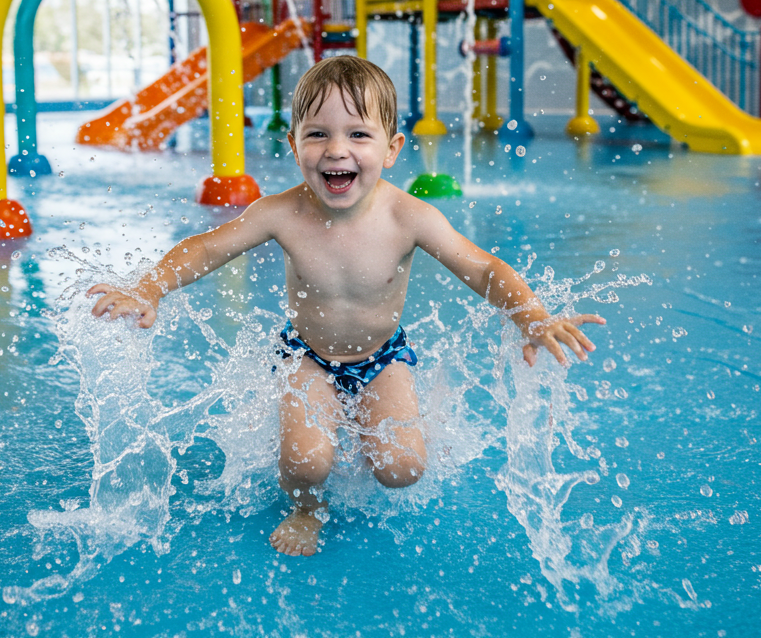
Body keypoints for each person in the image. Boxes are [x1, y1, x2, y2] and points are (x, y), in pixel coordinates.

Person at [89, 56, 604, 557]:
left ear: (392, 148)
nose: (337, 150)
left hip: (383, 357)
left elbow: (485, 269)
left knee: (402, 469)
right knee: (306, 463)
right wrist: (149, 288)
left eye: (358, 134)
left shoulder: (408, 217)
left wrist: (532, 317)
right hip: (306, 356)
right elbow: (206, 248)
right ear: (294, 146)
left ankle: (380, 423)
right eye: (318, 134)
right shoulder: (280, 213)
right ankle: (308, 509)